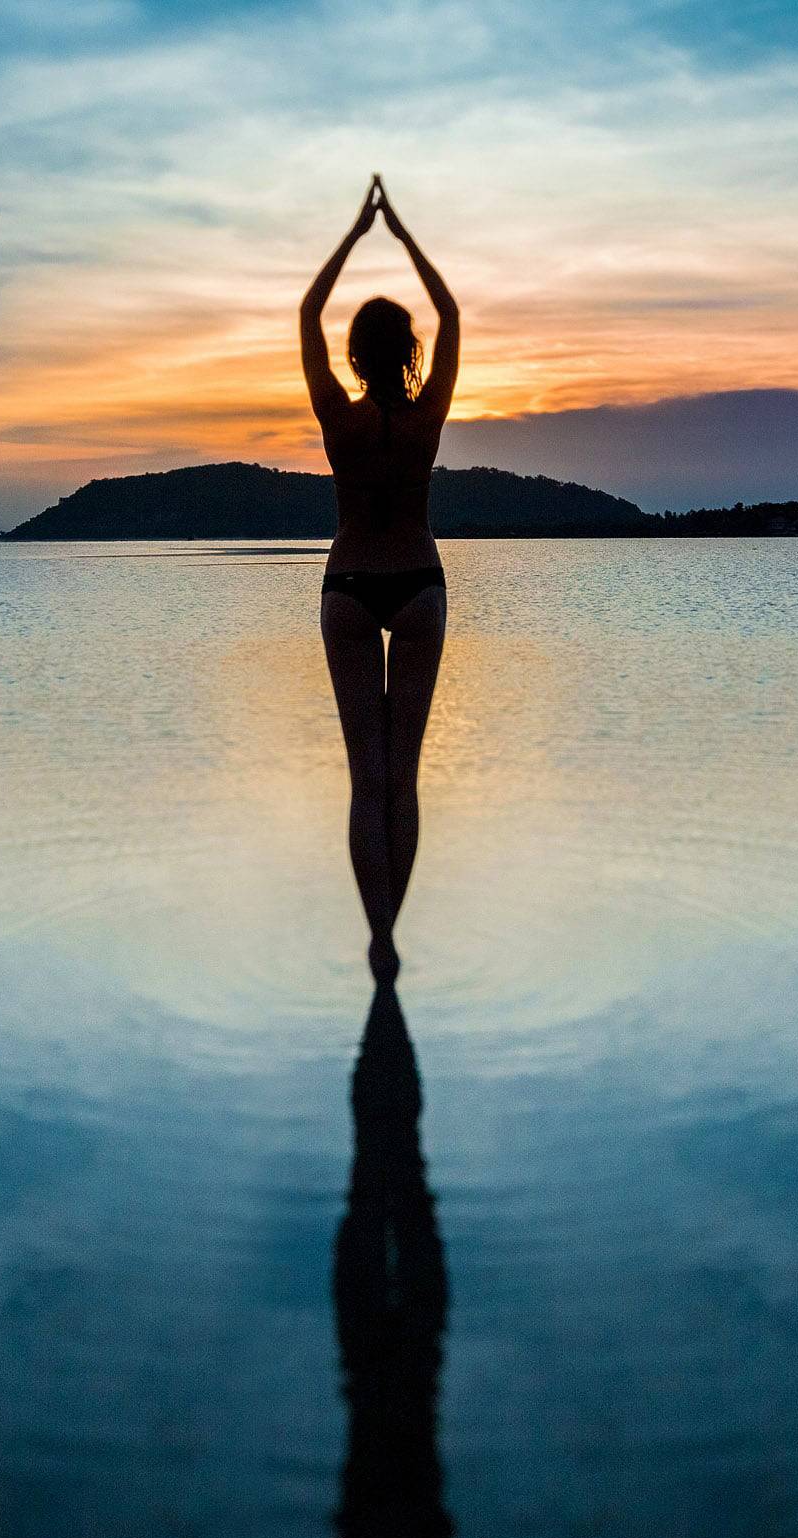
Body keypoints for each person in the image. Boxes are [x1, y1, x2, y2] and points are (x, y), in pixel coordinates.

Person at [301, 175, 460, 983]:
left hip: (350, 588)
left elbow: (306, 314)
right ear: (413, 353)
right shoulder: (429, 413)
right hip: (419, 587)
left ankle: (379, 941)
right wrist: (401, 234)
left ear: (358, 356)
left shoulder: (340, 416)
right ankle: (394, 927)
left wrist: (356, 235)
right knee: (405, 777)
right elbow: (454, 313)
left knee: (368, 781)